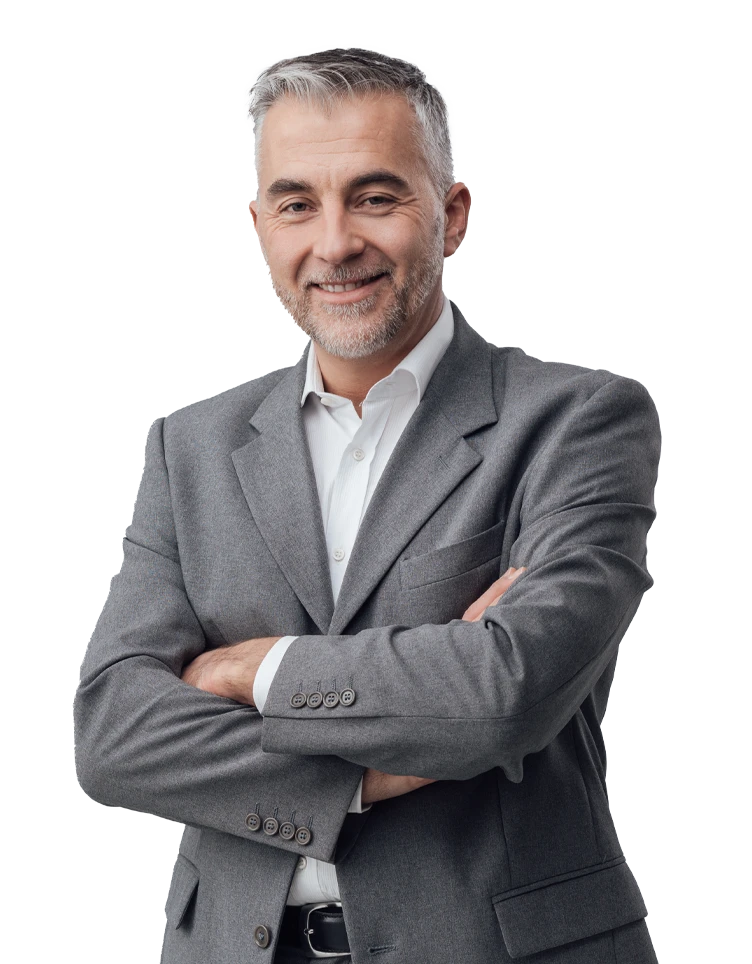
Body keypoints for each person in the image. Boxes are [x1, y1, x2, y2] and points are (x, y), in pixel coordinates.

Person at [73, 47, 661, 964]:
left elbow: (505, 692)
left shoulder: (579, 421)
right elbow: (111, 733)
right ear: (259, 228)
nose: (336, 242)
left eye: (376, 197)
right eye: (296, 204)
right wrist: (372, 771)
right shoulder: (190, 445)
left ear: (452, 215)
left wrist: (253, 671)